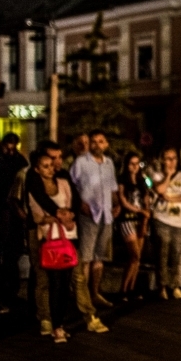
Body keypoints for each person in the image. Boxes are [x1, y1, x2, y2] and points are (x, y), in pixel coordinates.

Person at [26, 141, 107, 336]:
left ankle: (89, 316)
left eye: (60, 157)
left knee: (78, 276)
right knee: (44, 278)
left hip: (66, 234)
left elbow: (75, 198)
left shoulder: (62, 177)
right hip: (40, 233)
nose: (57, 162)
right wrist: (59, 215)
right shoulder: (32, 176)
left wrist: (69, 215)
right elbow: (38, 201)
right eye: (53, 158)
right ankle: (46, 318)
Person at [69, 129, 120, 309]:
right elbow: (71, 186)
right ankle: (81, 297)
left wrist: (117, 204)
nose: (97, 145)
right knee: (86, 258)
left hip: (106, 216)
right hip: (88, 215)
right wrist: (80, 205)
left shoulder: (109, 164)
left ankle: (95, 292)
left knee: (99, 257)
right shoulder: (81, 162)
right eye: (94, 141)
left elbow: (113, 188)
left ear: (106, 144)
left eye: (101, 141)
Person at [0, 133, 29, 314]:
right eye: (7, 146)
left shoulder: (17, 161)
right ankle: (1, 295)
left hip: (10, 213)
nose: (10, 150)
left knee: (11, 255)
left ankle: (9, 293)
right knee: (1, 256)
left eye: (13, 147)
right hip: (1, 212)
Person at [151, 147, 181, 300]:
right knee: (162, 254)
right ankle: (162, 286)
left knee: (178, 255)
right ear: (162, 160)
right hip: (162, 219)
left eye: (174, 158)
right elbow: (160, 189)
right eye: (168, 158)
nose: (171, 162)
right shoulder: (156, 175)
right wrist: (167, 176)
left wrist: (171, 198)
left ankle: (175, 285)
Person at [117, 152, 150, 301]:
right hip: (127, 219)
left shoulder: (142, 181)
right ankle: (123, 288)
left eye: (137, 164)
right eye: (132, 163)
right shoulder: (122, 180)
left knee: (137, 258)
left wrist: (146, 214)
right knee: (134, 254)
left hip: (140, 220)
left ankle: (131, 287)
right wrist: (139, 210)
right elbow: (123, 201)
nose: (135, 167)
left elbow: (146, 199)